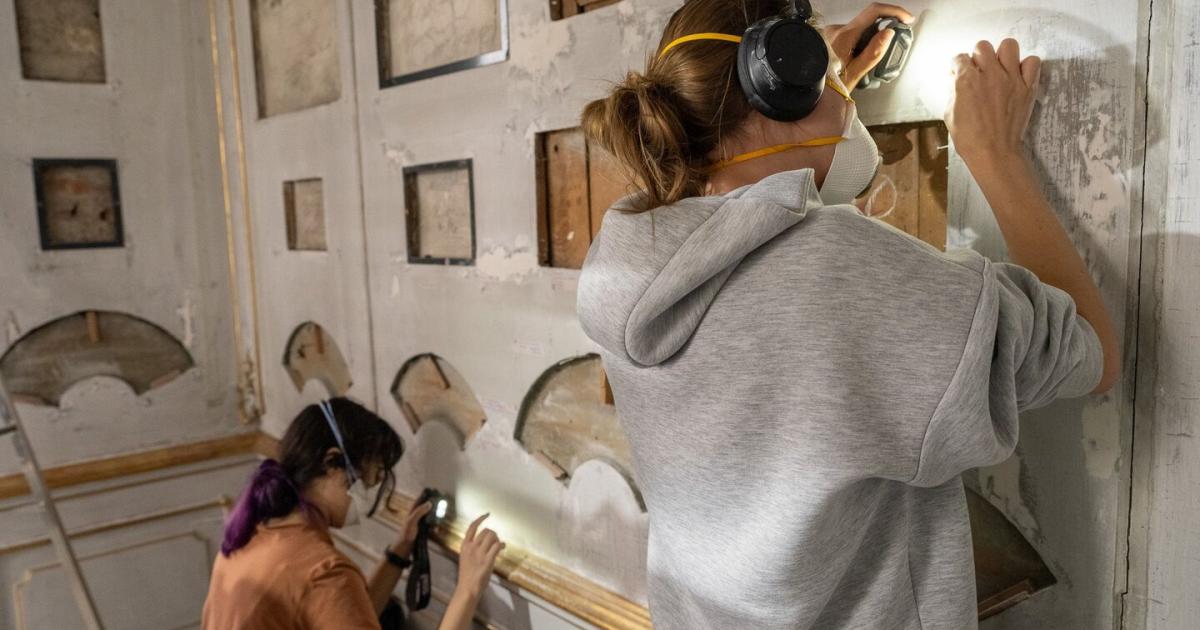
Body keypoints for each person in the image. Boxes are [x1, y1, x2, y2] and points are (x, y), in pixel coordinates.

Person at [575, 1, 1119, 629]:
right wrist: (993, 154)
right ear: (785, 83)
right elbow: (1090, 350)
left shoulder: (628, 261)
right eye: (824, 72)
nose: (842, 90)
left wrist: (825, 88)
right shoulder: (838, 270)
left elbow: (763, 216)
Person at [202, 397, 505, 630]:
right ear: (332, 463)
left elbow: (343, 615)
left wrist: (400, 552)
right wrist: (468, 589)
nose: (371, 493)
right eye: (371, 478)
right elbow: (332, 597)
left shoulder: (249, 532)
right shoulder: (322, 571)